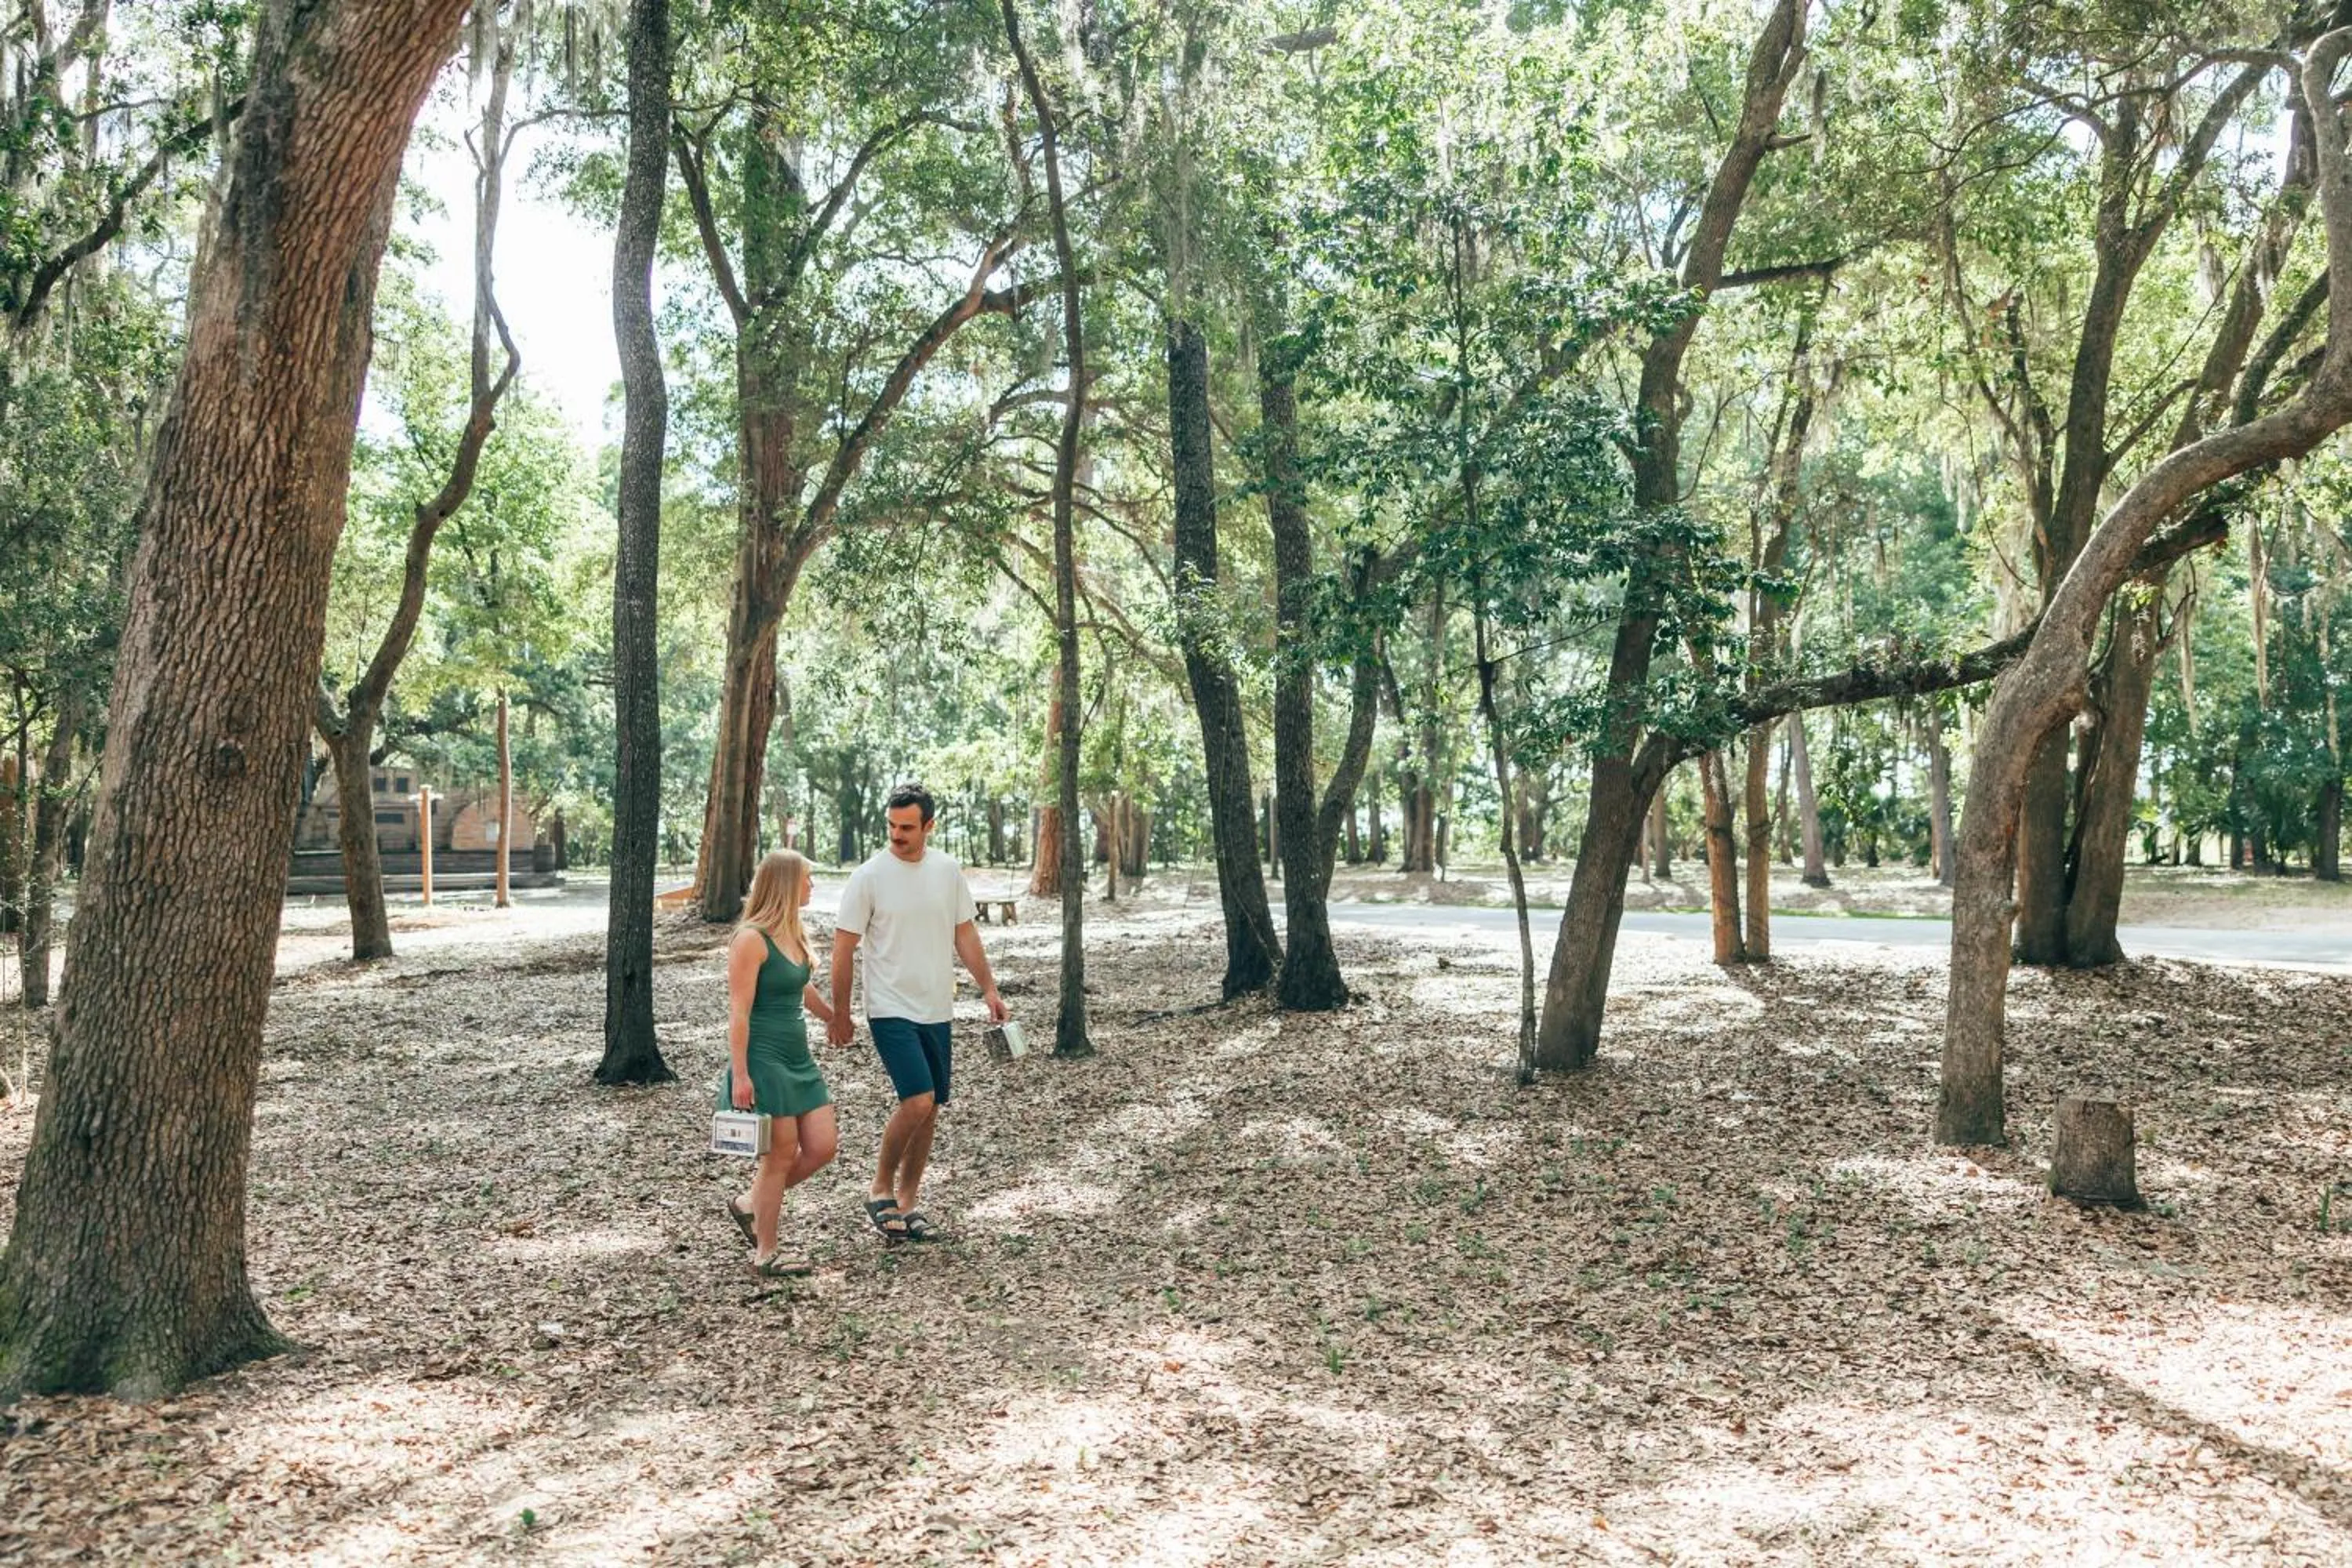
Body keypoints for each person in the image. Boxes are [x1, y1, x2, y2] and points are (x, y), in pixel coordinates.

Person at [829, 782, 1007, 1243]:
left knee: (931, 1110)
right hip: (889, 1007)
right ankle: (879, 1188)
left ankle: (908, 1202)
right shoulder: (868, 877)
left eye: (907, 827)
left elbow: (964, 934)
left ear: (930, 826)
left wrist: (988, 989)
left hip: (935, 1007)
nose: (897, 834)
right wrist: (841, 1014)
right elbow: (843, 949)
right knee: (918, 1099)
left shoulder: (947, 871)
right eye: (891, 825)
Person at [720, 849, 840, 1278]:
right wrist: (741, 1073)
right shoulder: (750, 938)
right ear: (787, 883)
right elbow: (739, 1011)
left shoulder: (793, 931)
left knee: (823, 1146)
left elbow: (801, 987)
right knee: (781, 1155)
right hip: (764, 1057)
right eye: (808, 878)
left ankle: (752, 1204)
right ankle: (766, 1252)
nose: (813, 885)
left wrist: (833, 1017)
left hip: (798, 1057)